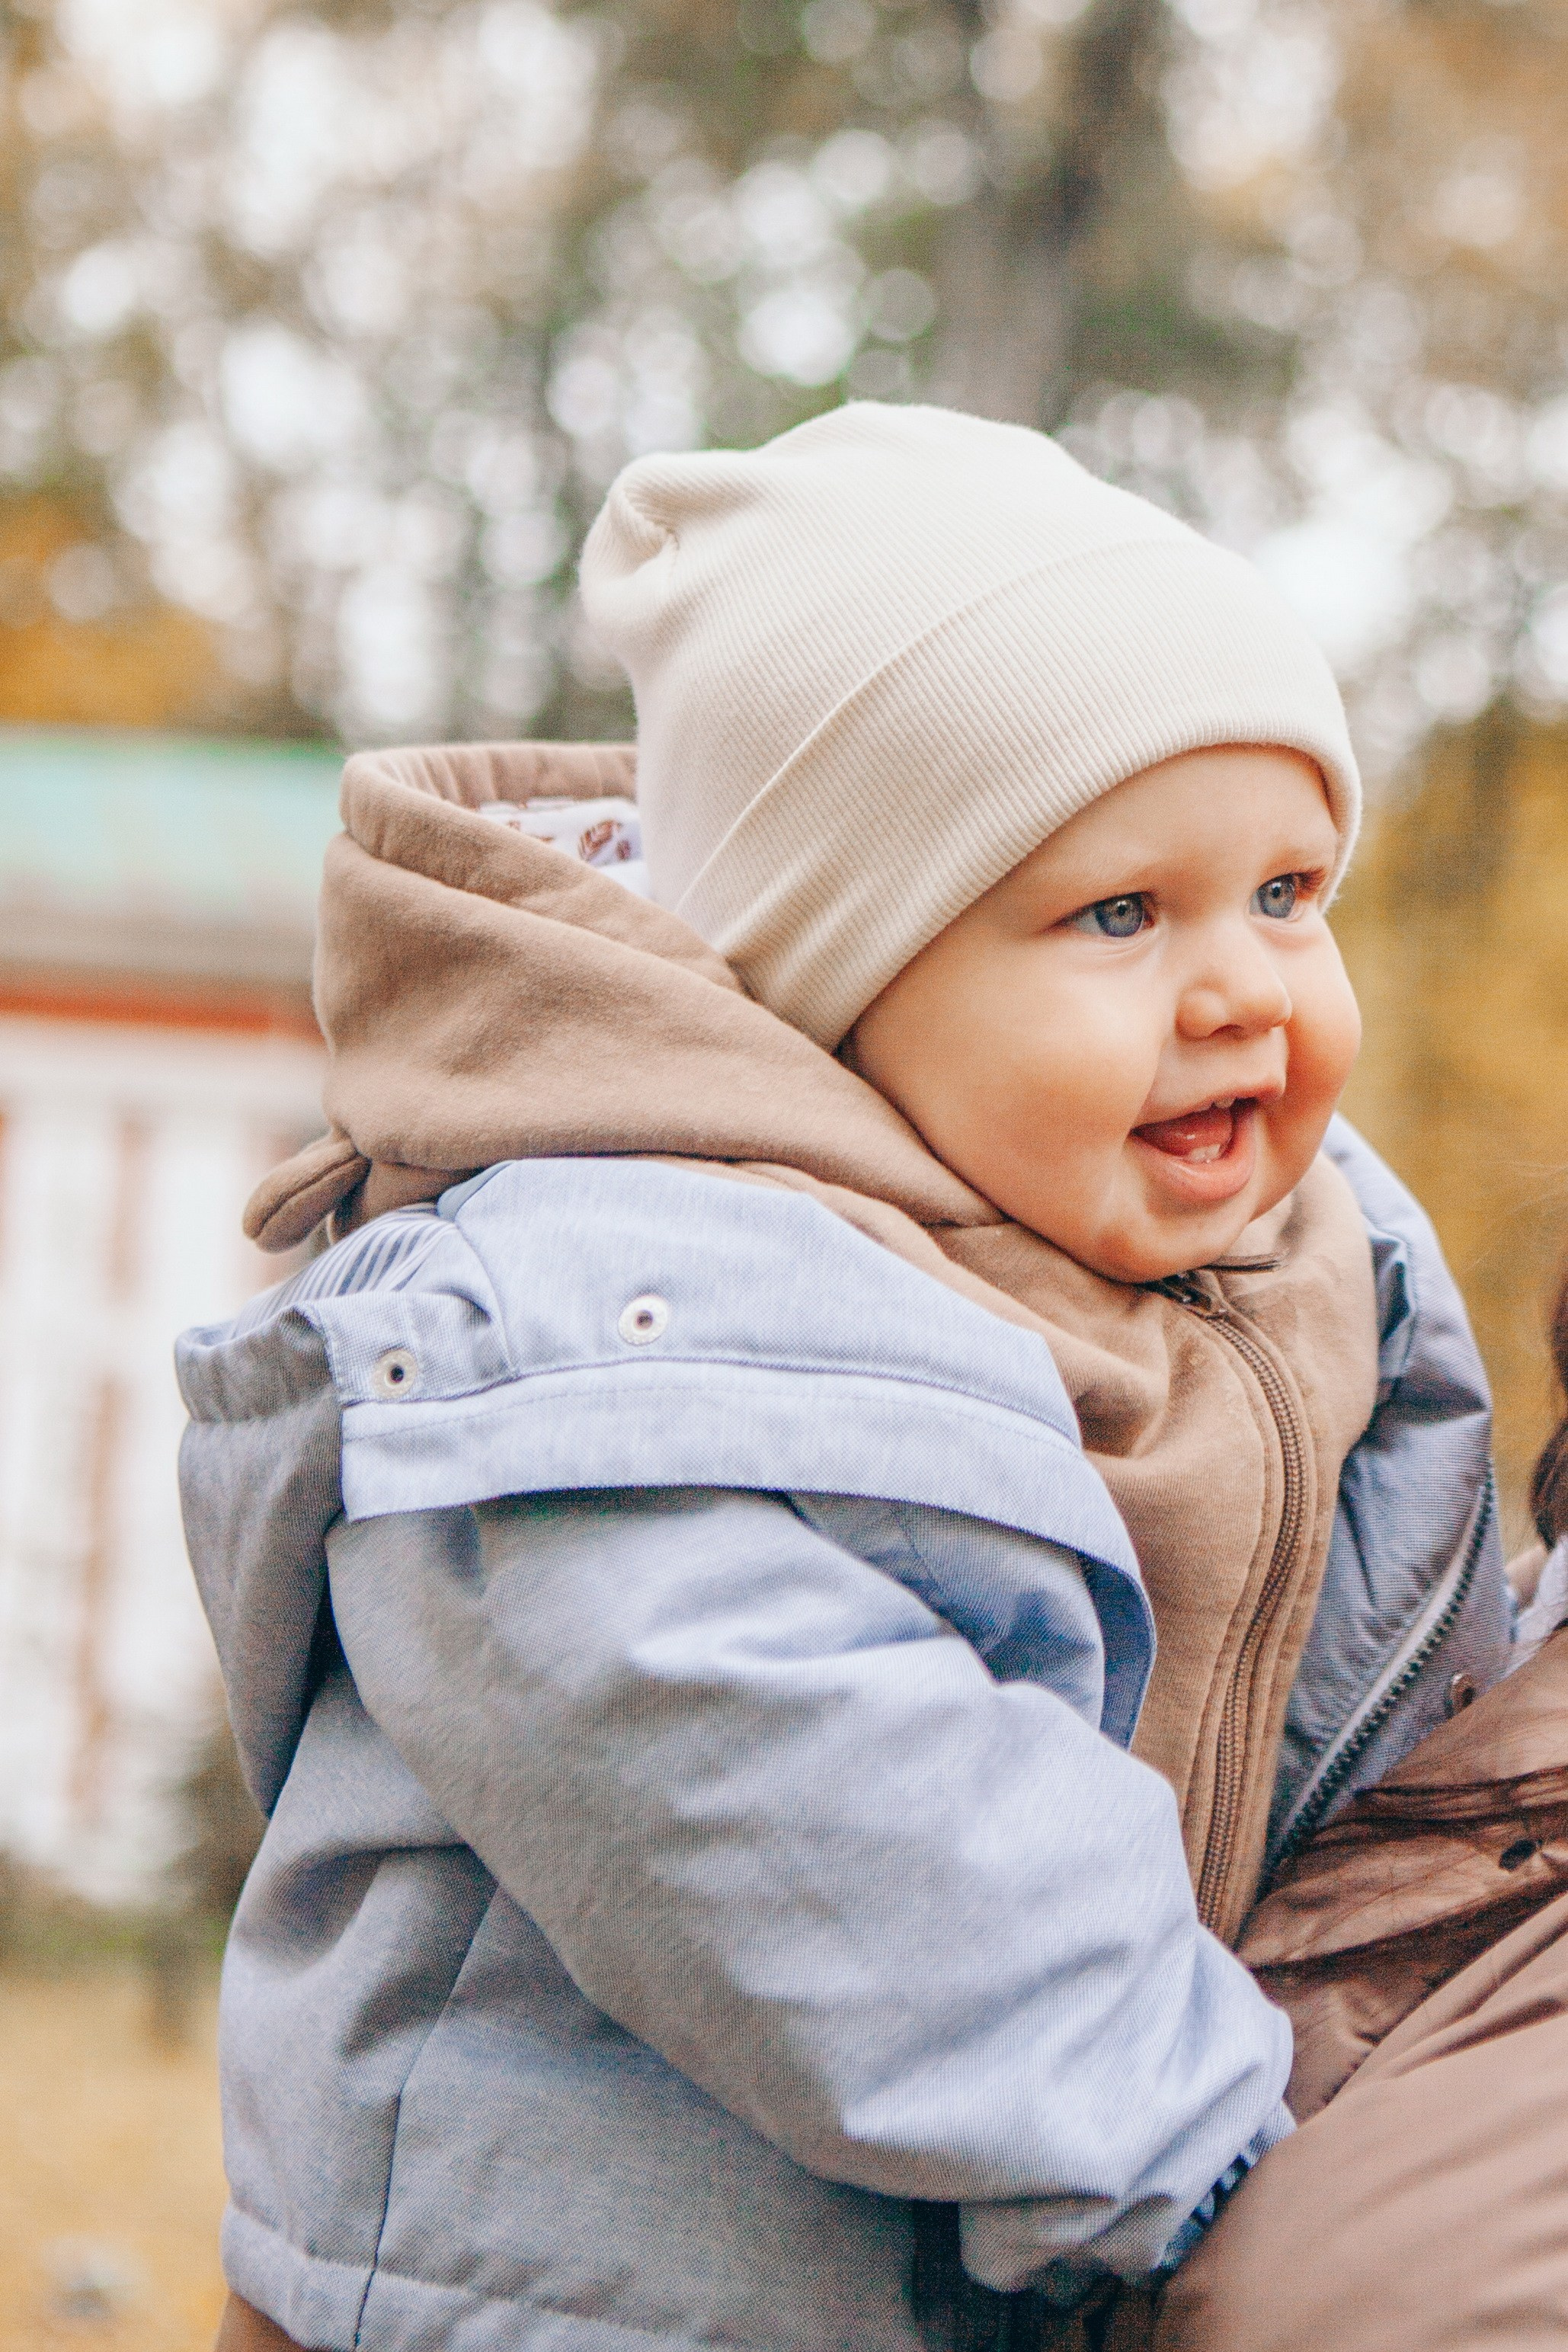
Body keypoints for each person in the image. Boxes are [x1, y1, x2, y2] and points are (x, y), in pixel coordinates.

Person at [179, 405, 1510, 2352]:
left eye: (1292, 894)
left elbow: (1424, 1670)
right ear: (837, 974)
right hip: (567, 2303)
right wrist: (1233, 2160)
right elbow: (837, 1829)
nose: (1242, 986)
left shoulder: (1304, 1279)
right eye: (1120, 914)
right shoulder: (612, 1331)